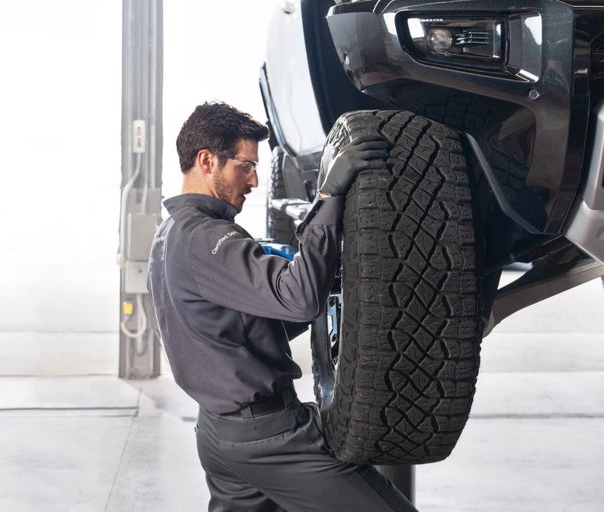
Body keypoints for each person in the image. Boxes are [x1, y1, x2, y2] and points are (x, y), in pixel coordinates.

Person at [147, 101, 417, 512]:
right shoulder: (206, 238)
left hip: (219, 431)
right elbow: (298, 299)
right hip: (267, 437)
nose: (254, 180)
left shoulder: (170, 233)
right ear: (206, 160)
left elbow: (235, 326)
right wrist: (327, 199)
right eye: (245, 166)